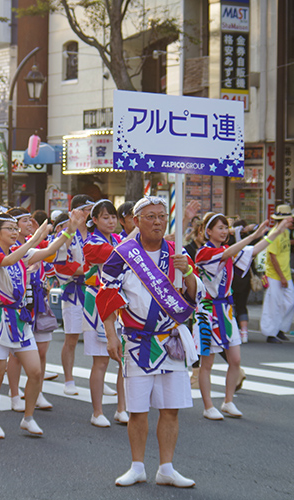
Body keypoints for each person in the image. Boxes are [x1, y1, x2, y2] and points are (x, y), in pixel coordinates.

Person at [98, 196, 202, 488]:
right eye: (151, 216)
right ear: (135, 221)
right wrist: (110, 336)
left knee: (171, 408)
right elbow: (107, 296)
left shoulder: (176, 252)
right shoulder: (123, 254)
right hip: (137, 341)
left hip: (171, 340)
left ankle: (167, 468)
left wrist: (189, 273)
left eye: (161, 216)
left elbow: (195, 295)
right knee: (138, 409)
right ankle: (137, 466)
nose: (158, 221)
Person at [0, 214, 69, 439]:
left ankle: (28, 418)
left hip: (20, 319)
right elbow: (7, 261)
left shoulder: (22, 252)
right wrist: (35, 238)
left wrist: (69, 230)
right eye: (8, 229)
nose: (13, 232)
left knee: (36, 372)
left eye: (14, 228)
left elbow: (48, 251)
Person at [194, 213, 289, 420]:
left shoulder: (227, 251)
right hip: (207, 313)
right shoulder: (204, 253)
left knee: (235, 360)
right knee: (207, 363)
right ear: (208, 231)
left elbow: (253, 251)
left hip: (226, 311)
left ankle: (228, 402)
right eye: (220, 227)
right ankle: (208, 406)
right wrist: (253, 234)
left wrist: (276, 232)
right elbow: (229, 253)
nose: (224, 231)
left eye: (226, 228)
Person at [82, 199, 127, 426]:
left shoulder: (119, 239)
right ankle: (97, 412)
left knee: (125, 361)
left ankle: (122, 408)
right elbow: (118, 254)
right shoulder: (91, 243)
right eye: (105, 217)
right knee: (100, 362)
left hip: (121, 305)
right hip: (97, 306)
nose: (111, 221)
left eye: (113, 217)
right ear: (95, 220)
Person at [55, 194, 94, 396]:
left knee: (98, 337)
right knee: (71, 338)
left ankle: (98, 377)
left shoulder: (97, 232)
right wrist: (87, 270)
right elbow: (61, 264)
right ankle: (69, 379)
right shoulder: (66, 233)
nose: (89, 213)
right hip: (74, 289)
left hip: (96, 290)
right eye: (86, 209)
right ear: (75, 211)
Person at [260, 205, 294, 344]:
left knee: (290, 301)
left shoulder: (286, 232)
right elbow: (272, 257)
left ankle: (280, 329)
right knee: (273, 305)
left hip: (285, 274)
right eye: (289, 217)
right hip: (275, 275)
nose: (292, 219)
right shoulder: (274, 233)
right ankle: (270, 333)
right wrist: (281, 276)